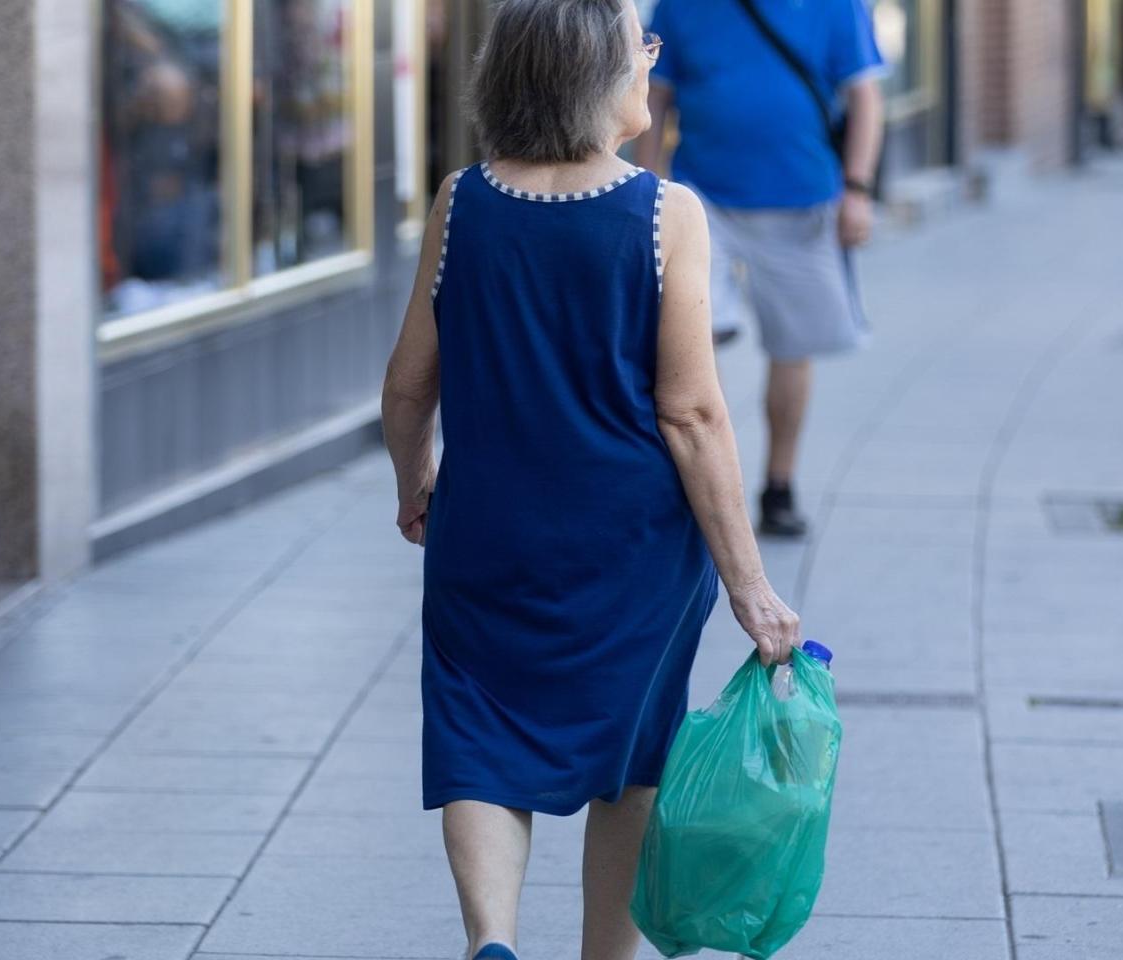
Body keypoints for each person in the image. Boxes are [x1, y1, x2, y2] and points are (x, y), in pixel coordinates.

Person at [380, 2, 801, 957]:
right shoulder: (666, 212)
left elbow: (407, 388)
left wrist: (417, 484)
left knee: (477, 740)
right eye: (638, 46)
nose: (653, 58)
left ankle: (493, 940)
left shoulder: (463, 202)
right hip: (633, 551)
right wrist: (752, 588)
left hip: (485, 535)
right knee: (632, 760)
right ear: (590, 76)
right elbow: (692, 416)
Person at [634, 0, 887, 539]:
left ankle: (779, 485)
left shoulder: (836, 7)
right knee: (694, 338)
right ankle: (712, 483)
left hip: (803, 199)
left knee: (791, 348)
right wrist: (646, 189)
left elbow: (864, 97)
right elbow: (655, 97)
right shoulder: (681, 7)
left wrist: (859, 190)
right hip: (701, 201)